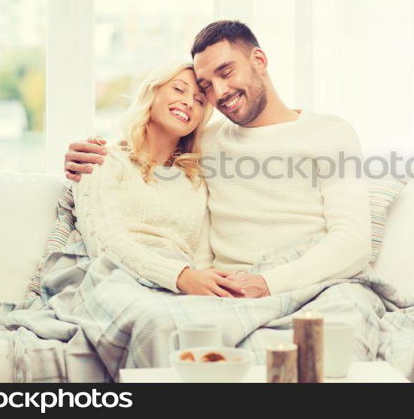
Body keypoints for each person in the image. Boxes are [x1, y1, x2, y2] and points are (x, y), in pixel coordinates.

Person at [65, 21, 371, 298]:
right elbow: (147, 156)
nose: (220, 92)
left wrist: (269, 284)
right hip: (229, 290)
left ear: (259, 61)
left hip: (307, 282)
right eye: (207, 86)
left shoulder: (330, 133)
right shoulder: (206, 140)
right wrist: (87, 155)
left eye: (226, 72)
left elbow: (354, 242)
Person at [71, 62, 244, 297]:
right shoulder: (102, 160)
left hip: (178, 289)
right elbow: (103, 240)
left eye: (199, 100)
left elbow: (202, 258)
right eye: (178, 89)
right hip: (113, 278)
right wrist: (179, 276)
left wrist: (207, 291)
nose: (188, 102)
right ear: (152, 93)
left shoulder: (195, 181)